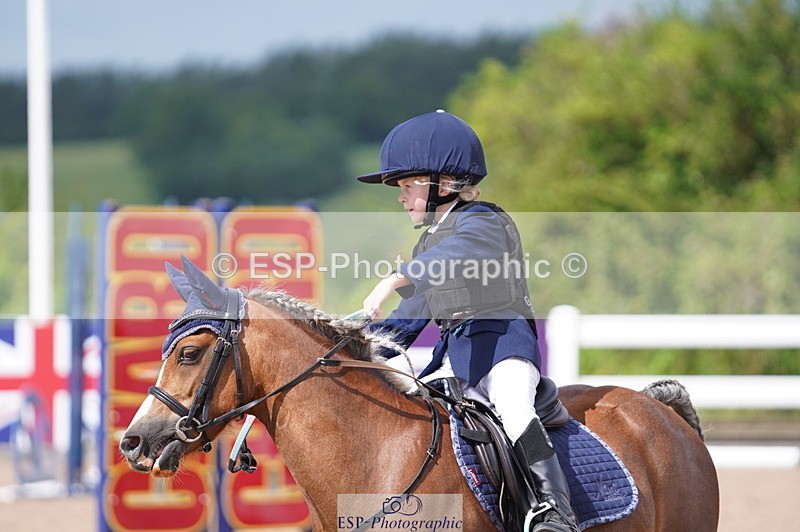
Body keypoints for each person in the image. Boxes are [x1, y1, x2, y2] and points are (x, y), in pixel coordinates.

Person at [357, 110, 580, 532]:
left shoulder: (484, 222)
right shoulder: (429, 239)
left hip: (502, 348)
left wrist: (393, 278)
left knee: (513, 408)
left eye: (407, 186)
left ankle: (555, 511)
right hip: (453, 360)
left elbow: (452, 259)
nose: (401, 197)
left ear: (444, 184)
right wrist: (361, 343)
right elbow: (413, 312)